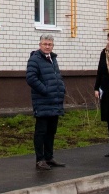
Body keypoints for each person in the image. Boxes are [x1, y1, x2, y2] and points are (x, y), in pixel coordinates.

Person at [26, 34, 66, 170]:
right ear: (40, 45)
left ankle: (49, 157)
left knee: (51, 131)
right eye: (45, 44)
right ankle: (40, 159)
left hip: (55, 101)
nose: (47, 46)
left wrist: (61, 89)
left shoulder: (53, 58)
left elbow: (57, 77)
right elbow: (31, 78)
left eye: (50, 44)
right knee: (41, 131)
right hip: (42, 101)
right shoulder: (35, 59)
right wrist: (45, 90)